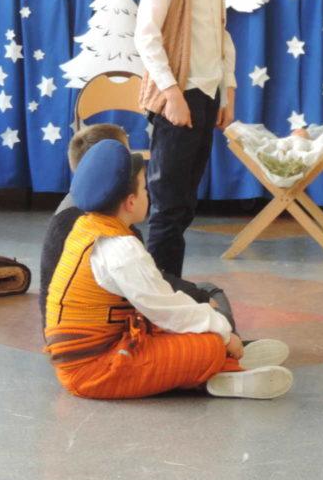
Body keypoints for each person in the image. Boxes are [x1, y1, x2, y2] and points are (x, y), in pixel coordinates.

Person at [44, 140, 292, 400]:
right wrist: (223, 333)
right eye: (144, 189)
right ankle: (224, 363)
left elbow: (160, 305)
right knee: (209, 343)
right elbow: (168, 310)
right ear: (130, 202)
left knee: (194, 326)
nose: (148, 195)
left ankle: (224, 364)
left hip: (102, 348)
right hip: (91, 371)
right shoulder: (121, 249)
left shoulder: (87, 226)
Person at [134, 0, 236, 277]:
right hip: (179, 96)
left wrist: (227, 93)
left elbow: (220, 34)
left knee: (185, 203)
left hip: (207, 95)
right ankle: (158, 291)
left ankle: (168, 284)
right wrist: (172, 94)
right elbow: (146, 35)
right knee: (168, 202)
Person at [38, 123, 236, 333]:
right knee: (211, 300)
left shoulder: (85, 213)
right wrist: (206, 308)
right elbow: (156, 301)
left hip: (71, 326)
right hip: (93, 332)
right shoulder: (103, 227)